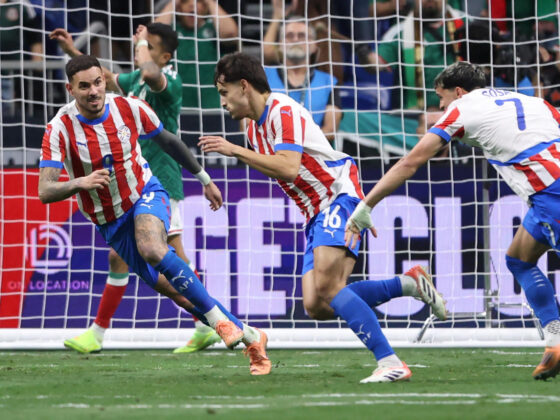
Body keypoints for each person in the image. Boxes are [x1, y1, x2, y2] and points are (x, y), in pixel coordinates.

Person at [198, 52, 446, 383]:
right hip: (315, 211)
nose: (223, 102)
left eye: (223, 92)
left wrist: (235, 151)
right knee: (317, 304)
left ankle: (390, 362)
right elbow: (284, 171)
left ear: (244, 86)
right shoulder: (252, 129)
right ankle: (409, 282)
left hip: (337, 193)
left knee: (329, 286)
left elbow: (288, 166)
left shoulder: (281, 110)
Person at [39, 54, 271, 376]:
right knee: (175, 290)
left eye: (98, 82)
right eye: (84, 86)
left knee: (153, 247)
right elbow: (45, 191)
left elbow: (169, 142)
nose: (93, 91)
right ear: (70, 89)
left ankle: (218, 324)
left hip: (146, 193)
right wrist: (80, 182)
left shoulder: (129, 108)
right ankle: (249, 335)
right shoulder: (59, 129)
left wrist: (204, 179)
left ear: (104, 81)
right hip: (110, 222)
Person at [345, 61, 560, 381]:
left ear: (458, 92)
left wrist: (366, 204)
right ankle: (555, 339)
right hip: (545, 195)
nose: (440, 107)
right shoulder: (535, 102)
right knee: (519, 259)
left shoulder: (462, 108)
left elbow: (411, 162)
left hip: (551, 195)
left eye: (441, 98)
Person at [50, 23, 222, 355]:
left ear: (164, 56)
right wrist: (74, 52)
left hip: (159, 180)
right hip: (132, 183)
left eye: (149, 47)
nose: (140, 50)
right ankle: (100, 334)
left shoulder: (167, 83)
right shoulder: (135, 85)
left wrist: (140, 40)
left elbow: (148, 71)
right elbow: (108, 79)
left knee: (171, 256)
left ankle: (209, 321)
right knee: (123, 256)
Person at [362, 0, 464, 110]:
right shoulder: (399, 31)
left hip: (463, 110)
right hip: (416, 115)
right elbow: (374, 65)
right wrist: (362, 51)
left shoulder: (467, 23)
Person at [263, 13, 342, 143]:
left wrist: (293, 143)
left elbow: (330, 129)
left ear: (314, 45)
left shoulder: (329, 82)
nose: (295, 40)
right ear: (280, 44)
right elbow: (247, 125)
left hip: (312, 156)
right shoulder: (262, 77)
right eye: (289, 36)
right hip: (270, 154)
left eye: (302, 36)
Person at [156, 0, 238, 110]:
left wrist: (209, 2)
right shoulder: (171, 31)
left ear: (205, 8)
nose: (192, 4)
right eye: (185, 1)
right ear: (179, 8)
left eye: (199, 1)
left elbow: (230, 33)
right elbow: (154, 36)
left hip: (213, 108)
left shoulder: (214, 29)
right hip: (177, 108)